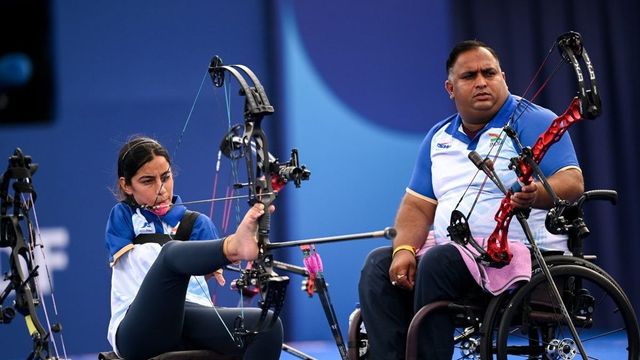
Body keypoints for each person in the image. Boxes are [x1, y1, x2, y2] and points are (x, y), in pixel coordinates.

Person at [358, 40, 584, 359]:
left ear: (503, 77)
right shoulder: (438, 137)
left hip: (522, 257)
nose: (481, 81)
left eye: (489, 73)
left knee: (439, 262)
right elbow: (417, 205)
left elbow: (572, 182)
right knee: (379, 265)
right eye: (469, 76)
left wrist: (538, 192)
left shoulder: (534, 121)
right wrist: (405, 250)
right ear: (450, 88)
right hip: (458, 256)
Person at [105, 136, 283, 359]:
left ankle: (234, 246)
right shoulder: (123, 217)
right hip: (137, 329)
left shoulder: (198, 223)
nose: (161, 189)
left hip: (189, 319)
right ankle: (234, 246)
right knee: (170, 254)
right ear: (126, 185)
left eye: (166, 177)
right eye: (148, 181)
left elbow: (200, 279)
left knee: (266, 325)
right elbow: (164, 268)